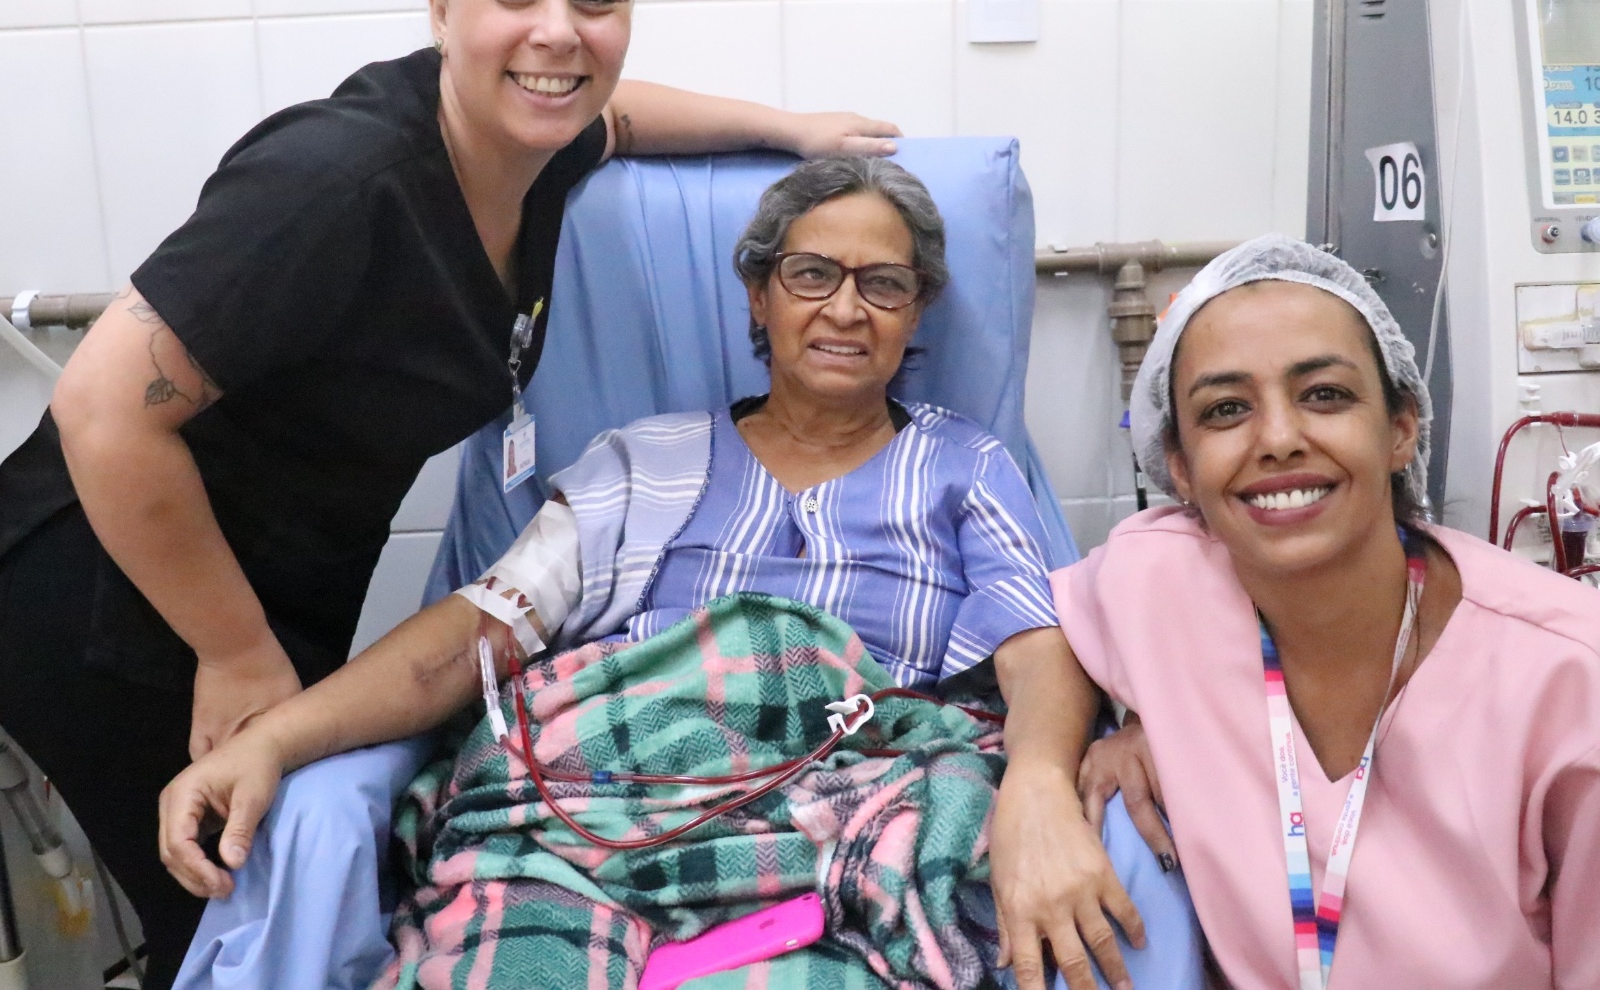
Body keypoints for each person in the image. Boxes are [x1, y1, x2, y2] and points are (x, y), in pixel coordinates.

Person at [0, 0, 903, 988]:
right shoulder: (338, 183)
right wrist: (232, 656)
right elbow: (101, 410)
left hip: (273, 592)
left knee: (317, 889)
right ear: (439, 7)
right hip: (115, 597)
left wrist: (787, 129)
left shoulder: (534, 139)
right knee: (238, 922)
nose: (558, 33)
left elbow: (613, 116)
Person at [159, 158, 1155, 990]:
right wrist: (275, 740)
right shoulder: (642, 462)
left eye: (883, 283)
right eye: (812, 274)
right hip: (601, 810)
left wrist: (1034, 785)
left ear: (913, 312)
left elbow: (1038, 646)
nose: (847, 308)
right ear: (758, 296)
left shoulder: (964, 464)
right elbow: (473, 636)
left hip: (852, 814)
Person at [1053, 234, 1600, 988]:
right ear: (1178, 467)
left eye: (1325, 396)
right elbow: (1037, 638)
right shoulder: (1163, 583)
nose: (1278, 439)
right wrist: (1041, 785)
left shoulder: (1569, 680)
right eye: (1225, 410)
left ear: (1401, 428)